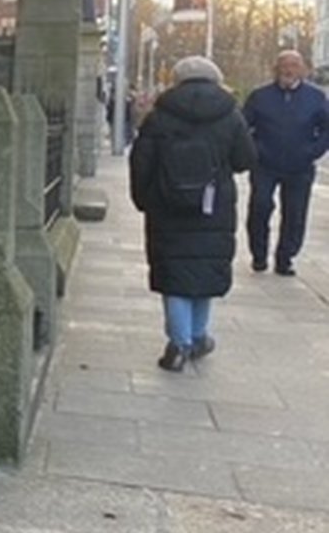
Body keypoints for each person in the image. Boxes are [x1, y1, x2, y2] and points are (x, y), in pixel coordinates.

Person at [129, 55, 255, 371]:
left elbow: (141, 161)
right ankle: (198, 336)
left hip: (167, 206)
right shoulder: (230, 115)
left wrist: (144, 199)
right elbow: (244, 159)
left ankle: (178, 342)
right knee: (205, 268)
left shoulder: (160, 115)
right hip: (213, 206)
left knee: (174, 272)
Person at [240, 48, 328, 275]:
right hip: (265, 164)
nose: (288, 70)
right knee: (260, 207)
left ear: (302, 70)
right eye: (284, 66)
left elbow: (326, 129)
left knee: (295, 213)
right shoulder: (260, 96)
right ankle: (259, 255)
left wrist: (313, 151)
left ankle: (285, 258)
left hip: (300, 166)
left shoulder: (316, 97)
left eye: (294, 65)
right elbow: (242, 127)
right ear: (275, 69)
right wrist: (254, 151)